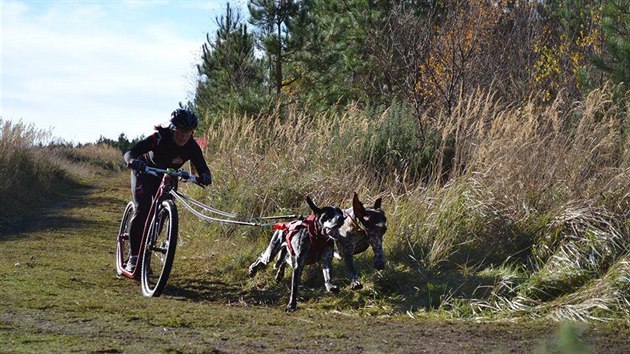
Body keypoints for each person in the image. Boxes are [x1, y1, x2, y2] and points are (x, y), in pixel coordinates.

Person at [123, 108, 212, 272]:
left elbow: (203, 168)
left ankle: (147, 250)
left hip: (167, 176)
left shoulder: (192, 146)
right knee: (143, 210)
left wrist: (205, 177)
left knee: (161, 213)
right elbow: (131, 152)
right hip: (145, 171)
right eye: (179, 130)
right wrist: (134, 162)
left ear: (192, 132)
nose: (183, 136)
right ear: (173, 128)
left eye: (187, 132)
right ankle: (134, 256)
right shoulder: (160, 137)